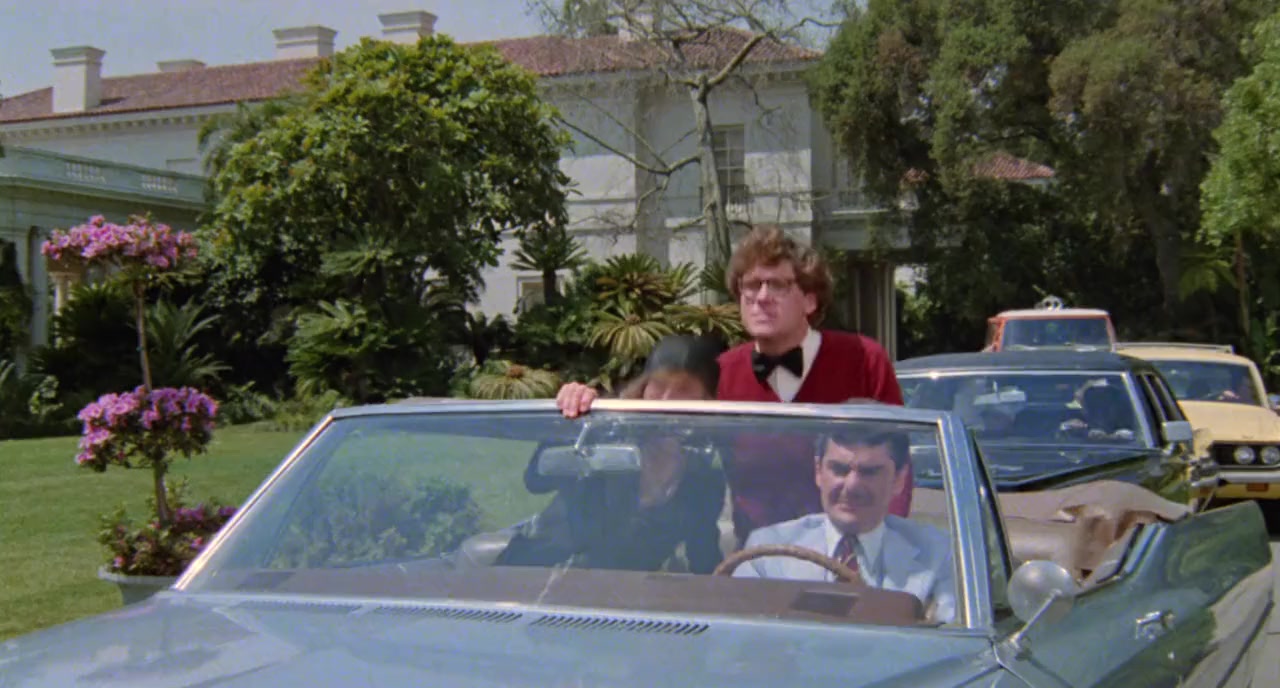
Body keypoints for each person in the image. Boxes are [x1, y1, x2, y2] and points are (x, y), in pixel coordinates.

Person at [558, 225, 908, 543]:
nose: (762, 297)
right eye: (751, 285)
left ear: (810, 299)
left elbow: (899, 465)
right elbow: (656, 424)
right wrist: (588, 401)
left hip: (854, 554)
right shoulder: (722, 373)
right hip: (758, 561)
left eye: (778, 285)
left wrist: (884, 551)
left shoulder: (865, 360)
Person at [498, 335, 727, 574]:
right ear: (643, 386)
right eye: (658, 385)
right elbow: (536, 480)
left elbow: (704, 554)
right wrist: (572, 413)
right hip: (535, 573)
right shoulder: (606, 431)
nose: (666, 400)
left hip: (618, 590)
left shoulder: (704, 479)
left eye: (684, 389)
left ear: (706, 400)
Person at [731, 427, 956, 623]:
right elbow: (743, 638)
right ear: (818, 471)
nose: (852, 486)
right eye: (839, 470)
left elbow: (951, 643)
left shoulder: (939, 554)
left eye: (869, 472)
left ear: (899, 479)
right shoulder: (767, 551)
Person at [1059, 384, 1136, 441]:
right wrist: (1076, 430)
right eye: (1094, 403)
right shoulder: (1075, 420)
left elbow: (1137, 437)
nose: (1101, 408)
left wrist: (1115, 437)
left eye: (1106, 402)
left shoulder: (1134, 421)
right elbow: (1061, 433)